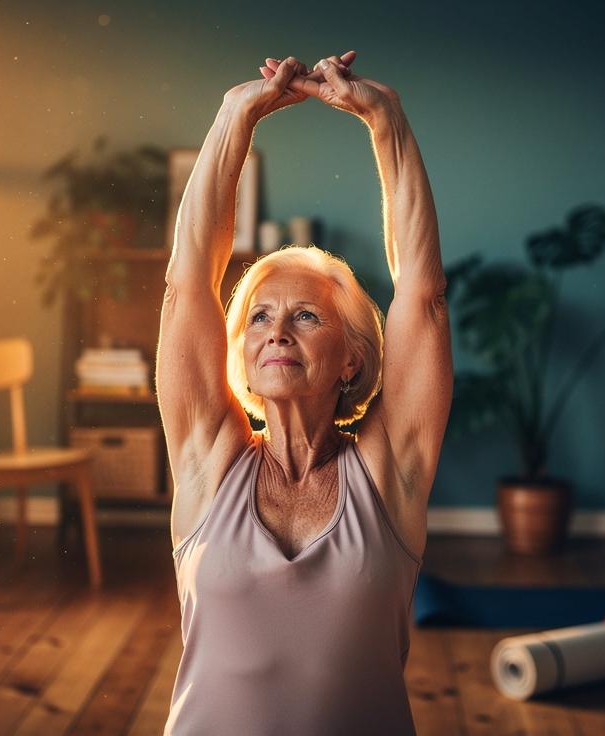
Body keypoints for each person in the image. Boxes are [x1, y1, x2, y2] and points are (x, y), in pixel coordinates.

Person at [157, 50, 453, 735]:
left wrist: (387, 122)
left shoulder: (390, 474)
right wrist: (236, 118)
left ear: (352, 359)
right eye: (258, 316)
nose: (275, 332)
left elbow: (423, 298)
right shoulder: (209, 461)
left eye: (306, 316)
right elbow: (186, 287)